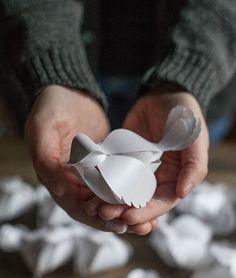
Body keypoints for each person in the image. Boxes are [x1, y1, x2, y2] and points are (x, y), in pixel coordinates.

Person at [0, 0, 236, 236]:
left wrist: (187, 72)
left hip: (191, 74)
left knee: (179, 173)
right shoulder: (100, 162)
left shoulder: (119, 157)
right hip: (76, 59)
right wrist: (55, 70)